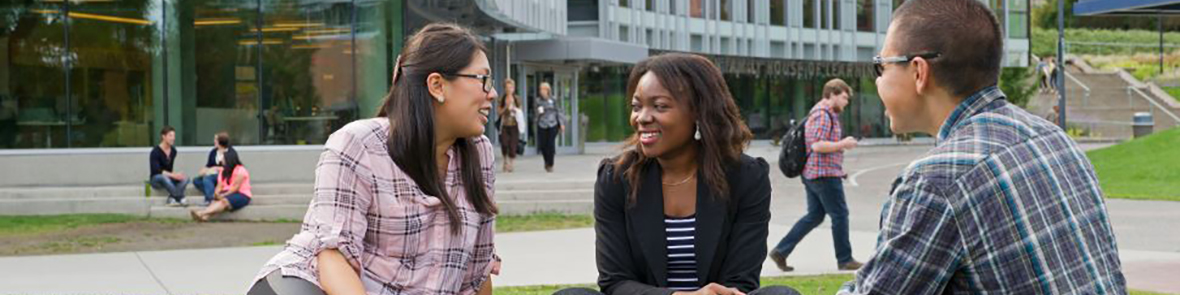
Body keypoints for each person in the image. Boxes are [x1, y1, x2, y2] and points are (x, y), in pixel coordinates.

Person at [840, 0, 1126, 293]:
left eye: (881, 66)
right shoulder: (1056, 140)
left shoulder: (937, 181)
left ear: (918, 72)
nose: (877, 81)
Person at [250, 23, 501, 295]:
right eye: (483, 80)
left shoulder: (480, 155)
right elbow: (333, 257)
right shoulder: (358, 144)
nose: (493, 94)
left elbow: (476, 276)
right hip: (317, 285)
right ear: (437, 85)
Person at [556, 53, 796, 295]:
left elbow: (740, 282)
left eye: (660, 106)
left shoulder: (746, 176)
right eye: (636, 106)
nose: (642, 117)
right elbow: (615, 282)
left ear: (699, 111)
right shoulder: (616, 178)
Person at [769, 78, 863, 272]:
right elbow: (817, 145)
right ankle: (845, 259)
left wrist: (839, 169)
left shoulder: (824, 113)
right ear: (832, 95)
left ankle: (781, 251)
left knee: (815, 215)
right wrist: (843, 144)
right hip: (822, 175)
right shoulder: (822, 115)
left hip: (817, 173)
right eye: (844, 97)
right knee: (840, 215)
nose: (846, 102)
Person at [190, 148, 250, 222]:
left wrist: (224, 195)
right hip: (227, 192)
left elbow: (236, 187)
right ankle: (205, 217)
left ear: (229, 159)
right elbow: (220, 185)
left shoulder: (241, 170)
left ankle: (201, 213)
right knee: (215, 201)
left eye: (223, 158)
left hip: (241, 194)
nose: (221, 160)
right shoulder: (223, 171)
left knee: (224, 201)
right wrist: (216, 193)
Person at [149, 126, 189, 206]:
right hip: (156, 179)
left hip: (168, 177)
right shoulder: (155, 152)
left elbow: (169, 169)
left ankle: (172, 198)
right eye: (170, 136)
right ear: (163, 137)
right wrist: (173, 175)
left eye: (174, 136)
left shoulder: (173, 151)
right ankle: (180, 197)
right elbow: (157, 171)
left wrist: (177, 176)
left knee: (185, 178)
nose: (173, 138)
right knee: (163, 177)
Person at [193, 132, 231, 205]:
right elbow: (208, 166)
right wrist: (203, 171)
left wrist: (216, 168)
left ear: (221, 141)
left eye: (216, 139)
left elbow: (232, 168)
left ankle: (209, 199)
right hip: (213, 175)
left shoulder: (230, 152)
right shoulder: (213, 152)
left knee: (207, 178)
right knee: (196, 180)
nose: (214, 141)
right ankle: (213, 194)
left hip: (224, 176)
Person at [535, 81, 565, 173]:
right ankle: (546, 161)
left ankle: (551, 164)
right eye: (540, 89)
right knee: (543, 145)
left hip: (553, 123)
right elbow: (535, 113)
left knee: (550, 144)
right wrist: (538, 113)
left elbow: (559, 111)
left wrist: (562, 123)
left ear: (548, 90)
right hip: (542, 124)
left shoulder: (553, 99)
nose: (542, 91)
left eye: (543, 89)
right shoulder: (538, 100)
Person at [499, 78, 522, 172]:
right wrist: (506, 107)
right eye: (507, 87)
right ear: (505, 88)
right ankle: (505, 160)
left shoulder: (517, 99)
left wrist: (514, 109)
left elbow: (520, 111)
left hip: (514, 125)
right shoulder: (502, 99)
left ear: (514, 88)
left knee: (513, 145)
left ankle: (511, 164)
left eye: (511, 87)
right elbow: (499, 112)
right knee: (504, 144)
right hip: (504, 125)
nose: (509, 89)